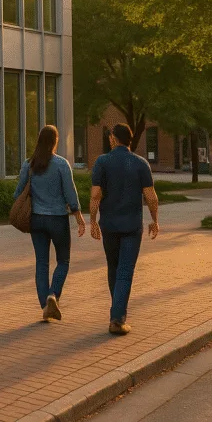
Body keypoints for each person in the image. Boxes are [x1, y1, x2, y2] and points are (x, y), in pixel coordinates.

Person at [90, 123, 160, 336]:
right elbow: (151, 196)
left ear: (113, 138)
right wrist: (155, 220)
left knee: (113, 268)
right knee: (125, 271)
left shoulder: (102, 162)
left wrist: (92, 220)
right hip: (131, 226)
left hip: (109, 225)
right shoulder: (141, 164)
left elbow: (95, 195)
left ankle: (116, 313)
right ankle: (117, 318)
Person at [13, 125, 85, 322]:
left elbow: (18, 192)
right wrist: (79, 216)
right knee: (63, 261)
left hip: (36, 220)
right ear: (55, 141)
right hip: (58, 220)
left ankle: (45, 306)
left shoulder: (29, 164)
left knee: (41, 263)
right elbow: (70, 193)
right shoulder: (62, 164)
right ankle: (53, 295)